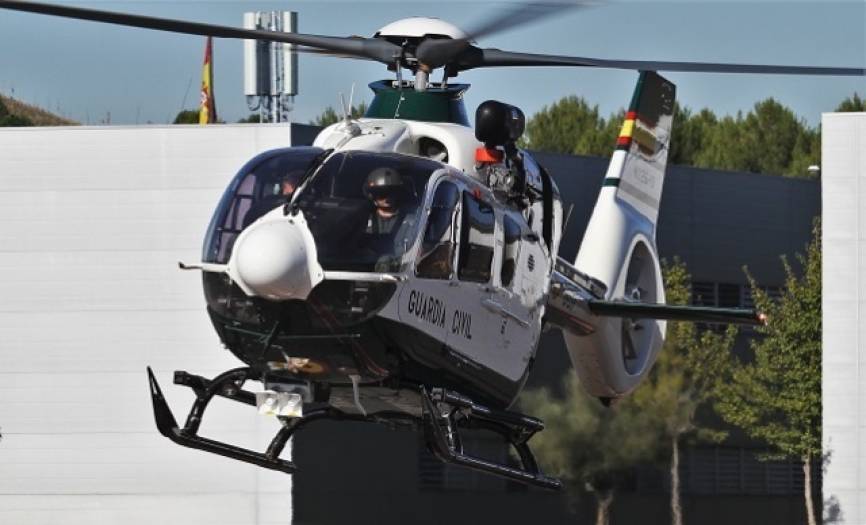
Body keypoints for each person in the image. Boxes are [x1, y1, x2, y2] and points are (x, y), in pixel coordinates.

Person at [363, 166, 416, 271]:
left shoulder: (412, 221)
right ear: (371, 195)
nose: (386, 197)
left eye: (391, 192)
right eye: (381, 193)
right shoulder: (362, 219)